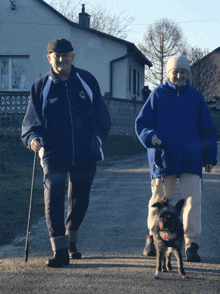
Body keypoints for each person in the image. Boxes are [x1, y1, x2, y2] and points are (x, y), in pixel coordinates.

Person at [21, 39, 111, 267]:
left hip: (85, 151)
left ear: (73, 56)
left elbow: (102, 116)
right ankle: (59, 250)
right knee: (54, 197)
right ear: (49, 58)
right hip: (54, 152)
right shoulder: (41, 86)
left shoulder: (86, 81)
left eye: (65, 55)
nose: (61, 59)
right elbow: (31, 123)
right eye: (56, 56)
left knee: (80, 199)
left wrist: (98, 138)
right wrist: (34, 139)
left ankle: (72, 241)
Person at [135, 56, 217, 262]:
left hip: (191, 158)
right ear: (168, 73)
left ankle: (191, 243)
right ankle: (152, 237)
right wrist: (149, 136)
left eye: (183, 71)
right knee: (160, 202)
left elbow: (207, 130)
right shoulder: (157, 95)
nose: (179, 75)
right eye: (175, 71)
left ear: (188, 74)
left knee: (192, 202)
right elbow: (142, 123)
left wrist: (209, 157)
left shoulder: (196, 97)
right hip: (164, 158)